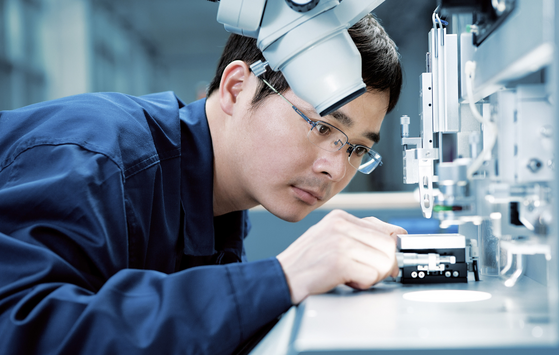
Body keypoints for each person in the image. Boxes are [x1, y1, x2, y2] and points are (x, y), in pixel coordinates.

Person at [0, 13, 404, 355]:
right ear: (236, 88)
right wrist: (282, 278)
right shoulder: (97, 154)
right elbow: (21, 329)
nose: (335, 169)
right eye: (319, 125)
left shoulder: (218, 208)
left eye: (356, 150)